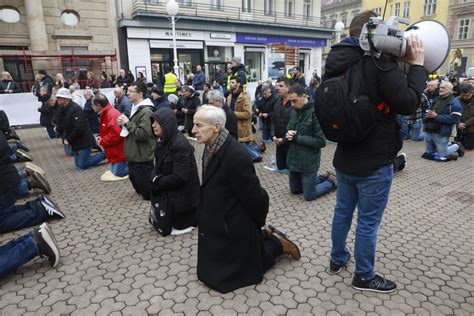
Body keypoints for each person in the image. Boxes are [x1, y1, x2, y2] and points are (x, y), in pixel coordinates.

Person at [325, 10, 427, 293]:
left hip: (345, 157)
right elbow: (407, 102)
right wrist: (417, 65)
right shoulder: (381, 64)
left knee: (342, 212)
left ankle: (337, 259)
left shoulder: (337, 61)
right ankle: (364, 276)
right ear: (377, 33)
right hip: (374, 161)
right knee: (368, 223)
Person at [192, 105, 301, 294]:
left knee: (245, 268)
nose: (193, 130)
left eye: (198, 125)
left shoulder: (235, 155)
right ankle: (263, 238)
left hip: (234, 221)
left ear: (216, 127)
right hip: (219, 217)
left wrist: (257, 222)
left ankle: (277, 244)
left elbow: (254, 196)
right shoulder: (211, 145)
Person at [1, 130, 65, 234]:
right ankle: (39, 204)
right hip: (8, 176)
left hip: (6, 180)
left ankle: (41, 210)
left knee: (1, 221)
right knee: (4, 211)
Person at [150, 108, 199, 234]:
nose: (153, 125)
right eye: (153, 122)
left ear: (166, 124)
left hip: (184, 196)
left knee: (172, 227)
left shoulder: (180, 145)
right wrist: (154, 177)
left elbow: (180, 177)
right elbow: (157, 164)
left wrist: (157, 181)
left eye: (157, 122)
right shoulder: (161, 141)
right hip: (171, 188)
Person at [286, 84, 336, 201]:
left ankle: (332, 181)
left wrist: (297, 138)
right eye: (290, 101)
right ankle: (321, 178)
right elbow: (289, 128)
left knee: (309, 195)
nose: (292, 104)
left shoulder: (316, 113)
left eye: (294, 101)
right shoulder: (294, 111)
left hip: (308, 163)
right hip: (294, 161)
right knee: (295, 191)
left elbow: (320, 141)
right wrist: (288, 134)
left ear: (304, 96)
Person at [117, 81, 155, 200]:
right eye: (127, 91)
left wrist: (127, 123)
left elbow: (143, 134)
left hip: (142, 156)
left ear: (140, 94)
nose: (127, 94)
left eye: (131, 91)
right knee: (136, 182)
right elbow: (132, 128)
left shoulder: (146, 111)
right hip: (134, 155)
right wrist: (123, 124)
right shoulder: (135, 108)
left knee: (147, 193)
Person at [55, 88, 106, 170]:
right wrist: (58, 128)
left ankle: (105, 154)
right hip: (76, 141)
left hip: (83, 140)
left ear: (65, 99)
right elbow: (63, 122)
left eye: (59, 97)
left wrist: (69, 139)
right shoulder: (63, 108)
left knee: (82, 165)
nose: (57, 99)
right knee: (78, 165)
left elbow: (79, 127)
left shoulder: (75, 109)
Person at [91, 93, 129, 181]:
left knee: (118, 173)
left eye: (93, 105)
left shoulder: (111, 114)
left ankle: (138, 168)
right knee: (113, 171)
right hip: (114, 151)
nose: (92, 107)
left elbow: (116, 134)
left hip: (118, 152)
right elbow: (107, 130)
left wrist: (102, 141)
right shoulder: (106, 113)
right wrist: (100, 136)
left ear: (98, 105)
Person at [422, 81, 463, 161]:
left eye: (443, 88)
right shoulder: (437, 98)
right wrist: (427, 114)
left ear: (449, 89)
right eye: (440, 87)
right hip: (430, 129)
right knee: (429, 154)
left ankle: (456, 146)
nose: (440, 89)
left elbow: (455, 119)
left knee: (442, 155)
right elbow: (429, 109)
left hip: (442, 132)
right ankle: (447, 145)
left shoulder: (454, 103)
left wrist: (436, 116)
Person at [227, 76, 262, 162]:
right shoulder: (229, 96)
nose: (230, 84)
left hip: (242, 127)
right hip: (232, 126)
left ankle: (256, 155)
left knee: (242, 146)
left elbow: (248, 114)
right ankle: (256, 149)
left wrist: (232, 114)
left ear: (238, 84)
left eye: (233, 82)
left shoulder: (245, 96)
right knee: (236, 146)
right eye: (230, 83)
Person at [272, 78, 293, 171]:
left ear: (288, 88)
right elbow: (273, 120)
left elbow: (296, 126)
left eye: (281, 86)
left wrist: (284, 139)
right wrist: (273, 135)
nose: (278, 88)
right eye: (277, 86)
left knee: (290, 171)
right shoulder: (277, 101)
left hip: (290, 144)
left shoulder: (294, 103)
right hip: (279, 142)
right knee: (280, 167)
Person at [456, 83, 474, 149]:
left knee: (469, 147)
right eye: (463, 95)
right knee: (457, 145)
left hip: (471, 127)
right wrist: (459, 123)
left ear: (472, 92)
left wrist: (465, 124)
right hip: (459, 126)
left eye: (467, 95)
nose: (465, 97)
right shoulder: (457, 100)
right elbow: (453, 113)